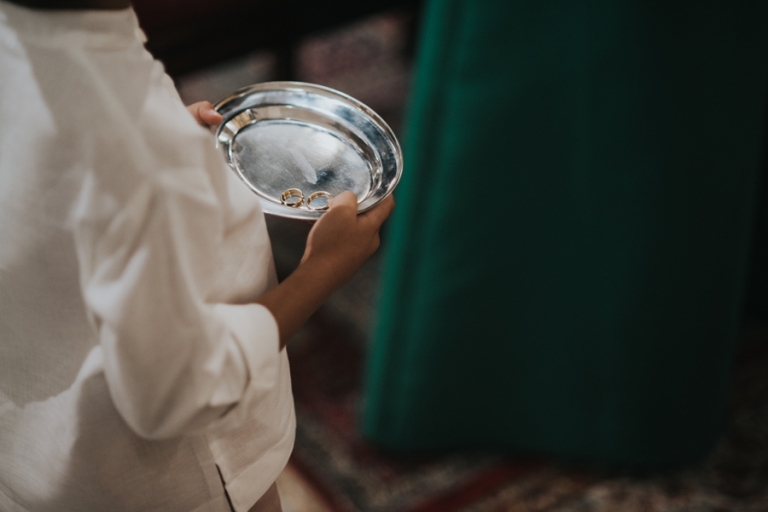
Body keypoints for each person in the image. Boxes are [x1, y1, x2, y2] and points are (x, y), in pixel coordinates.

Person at [0, 0, 393, 511]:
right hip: (165, 483)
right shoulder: (130, 138)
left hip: (32, 453)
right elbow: (176, 390)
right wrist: (323, 269)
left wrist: (155, 168)